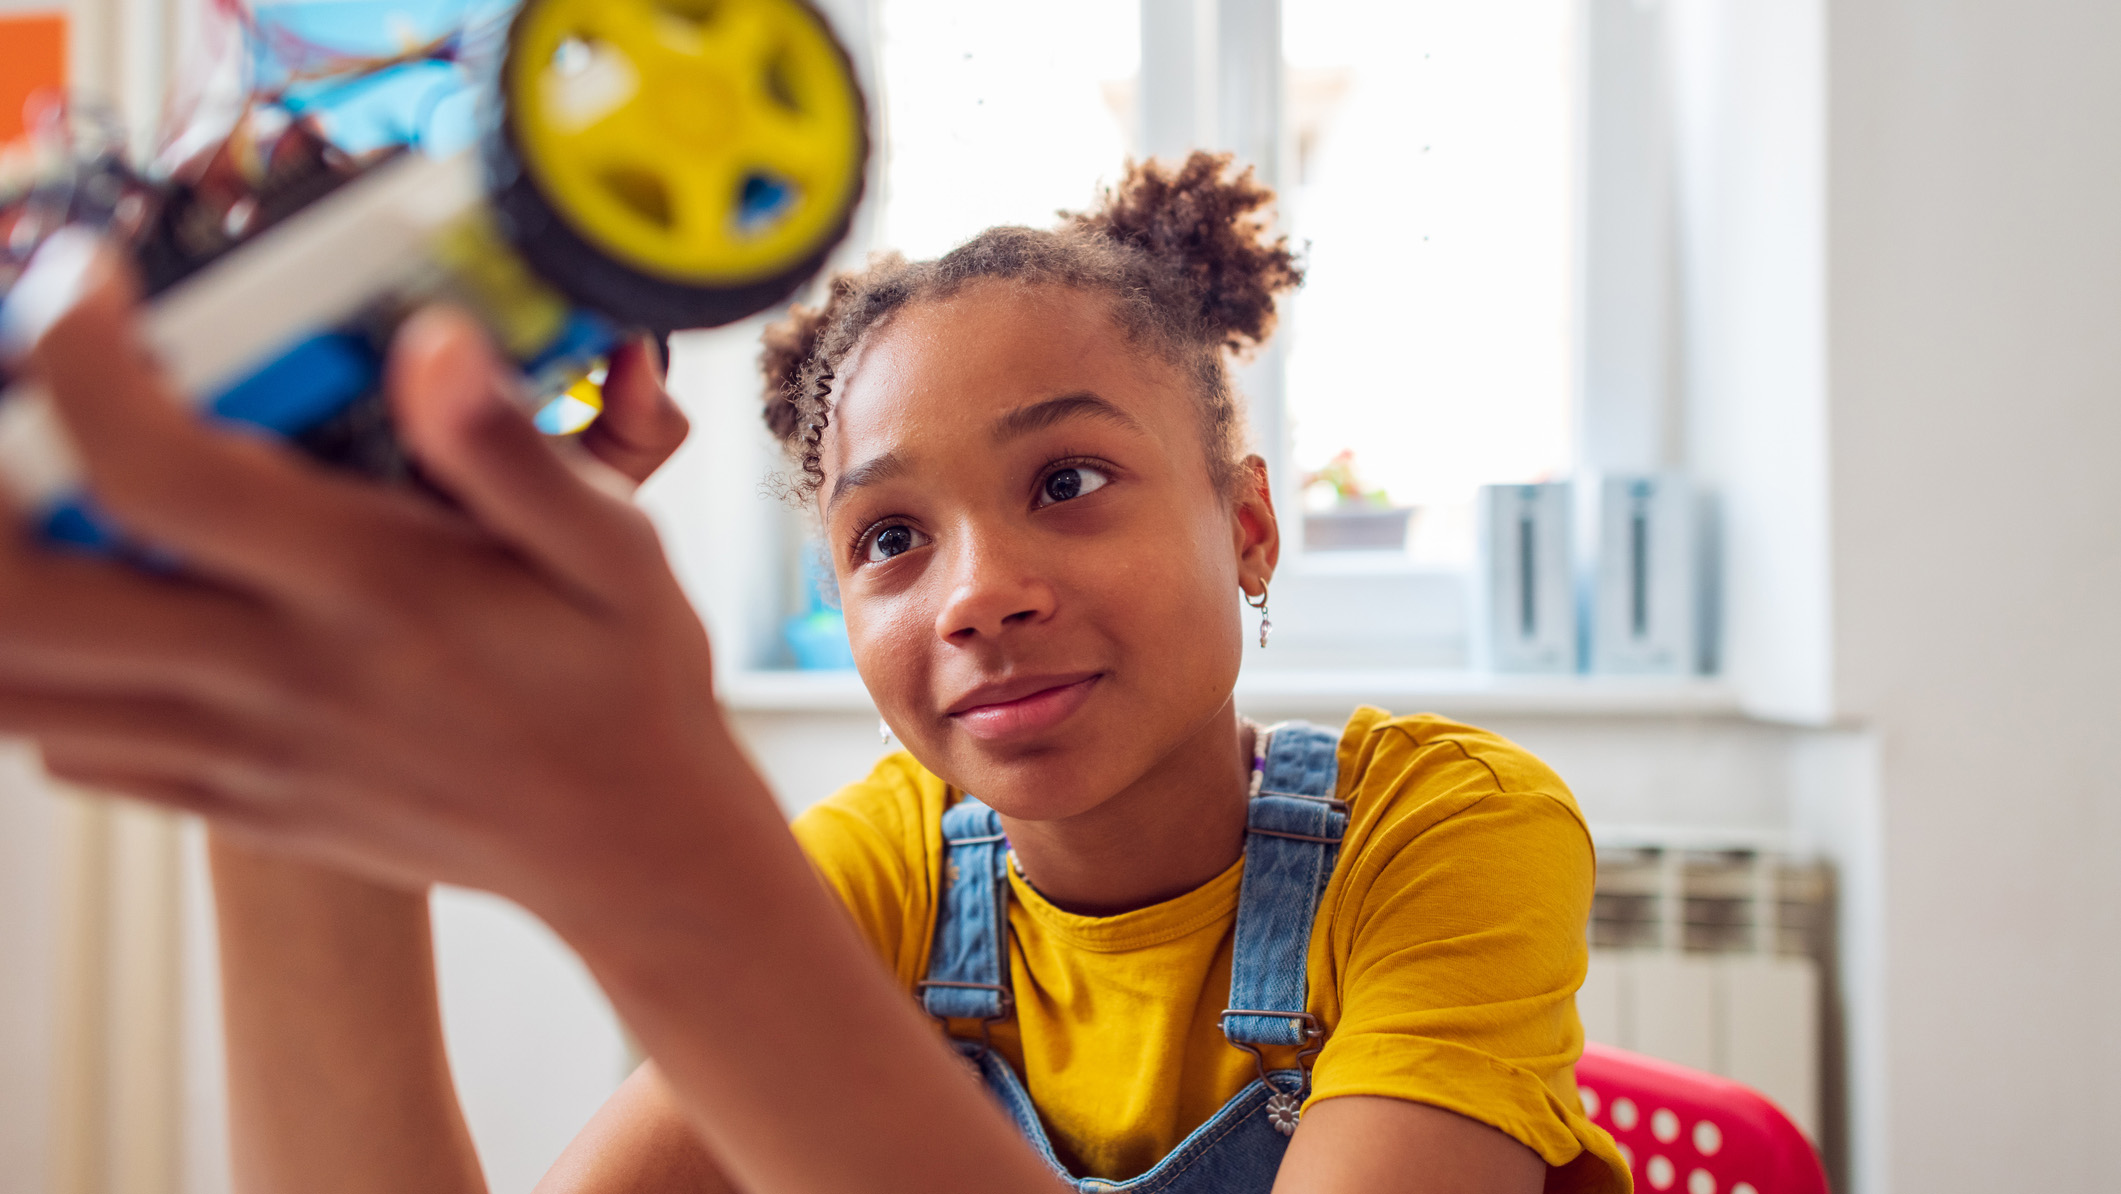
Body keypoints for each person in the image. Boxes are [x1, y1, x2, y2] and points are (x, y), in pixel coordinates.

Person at [0, 152, 1629, 1193]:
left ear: (1249, 524)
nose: (976, 595)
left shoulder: (1446, 833)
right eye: (890, 538)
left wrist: (644, 847)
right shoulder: (891, 868)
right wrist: (297, 752)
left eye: (1066, 480)